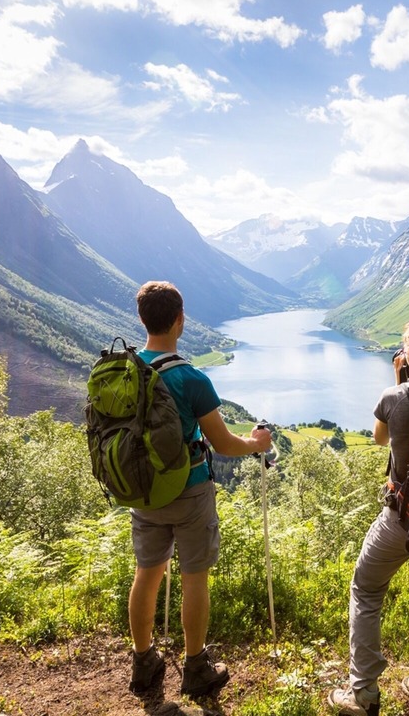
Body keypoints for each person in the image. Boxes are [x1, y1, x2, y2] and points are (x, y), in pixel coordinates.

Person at [128, 280, 272, 697]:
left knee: (146, 574)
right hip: (189, 491)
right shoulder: (191, 378)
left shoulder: (125, 370)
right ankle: (195, 669)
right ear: (180, 320)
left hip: (143, 491)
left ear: (142, 319)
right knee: (194, 578)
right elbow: (224, 444)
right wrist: (257, 444)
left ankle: (143, 662)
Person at [328, 315, 409, 716]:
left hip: (404, 520)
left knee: (366, 590)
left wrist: (400, 381)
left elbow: (379, 437)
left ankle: (364, 693)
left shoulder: (394, 396)